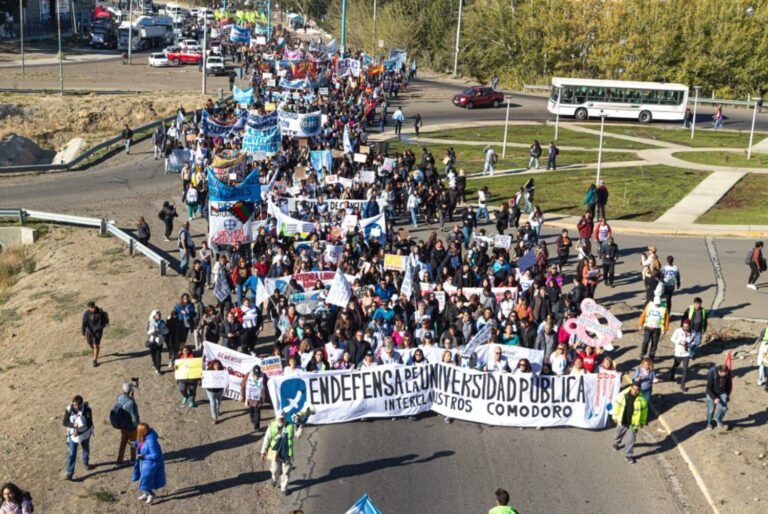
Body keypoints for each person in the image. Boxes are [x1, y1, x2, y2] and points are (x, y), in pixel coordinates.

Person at [611, 381, 648, 464]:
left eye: (637, 390)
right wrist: (614, 416)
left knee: (631, 440)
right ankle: (616, 442)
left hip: (633, 423)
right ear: (631, 388)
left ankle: (628, 456)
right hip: (622, 420)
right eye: (634, 389)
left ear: (639, 390)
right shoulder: (623, 395)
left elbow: (644, 411)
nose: (635, 391)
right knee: (618, 433)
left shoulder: (642, 399)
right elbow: (617, 405)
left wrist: (642, 421)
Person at [261, 413, 296, 495]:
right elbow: (267, 439)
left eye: (282, 418)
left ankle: (284, 488)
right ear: (276, 418)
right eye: (279, 418)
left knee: (286, 472)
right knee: (275, 469)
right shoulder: (272, 426)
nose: (281, 420)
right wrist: (263, 451)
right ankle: (274, 478)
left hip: (287, 453)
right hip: (275, 452)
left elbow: (297, 435)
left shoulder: (290, 426)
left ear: (285, 418)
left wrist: (300, 427)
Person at [132, 422, 166, 505]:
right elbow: (141, 445)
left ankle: (151, 495)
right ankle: (146, 494)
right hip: (143, 464)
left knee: (145, 480)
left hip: (150, 465)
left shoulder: (151, 441)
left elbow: (155, 455)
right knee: (143, 479)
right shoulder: (143, 438)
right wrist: (135, 444)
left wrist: (144, 456)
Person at [62, 395, 94, 480]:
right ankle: (69, 473)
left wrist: (80, 428)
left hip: (85, 434)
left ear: (81, 404)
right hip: (73, 435)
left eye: (78, 405)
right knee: (72, 453)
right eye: (74, 405)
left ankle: (85, 462)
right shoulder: (69, 409)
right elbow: (65, 422)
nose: (76, 407)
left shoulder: (87, 410)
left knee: (86, 448)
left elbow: (90, 423)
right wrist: (73, 425)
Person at [114, 382, 140, 465]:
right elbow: (134, 417)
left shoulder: (119, 397)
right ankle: (133, 459)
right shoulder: (131, 403)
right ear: (130, 391)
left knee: (123, 442)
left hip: (122, 425)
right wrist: (137, 425)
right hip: (131, 427)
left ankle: (119, 460)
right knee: (133, 443)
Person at [638, 297, 669, 361]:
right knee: (646, 341)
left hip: (657, 328)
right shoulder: (649, 305)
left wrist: (665, 329)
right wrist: (640, 324)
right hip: (648, 327)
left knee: (654, 343)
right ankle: (643, 353)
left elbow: (666, 319)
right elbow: (643, 314)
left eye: (658, 304)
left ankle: (651, 357)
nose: (657, 305)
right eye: (656, 304)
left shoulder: (664, 308)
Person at [82, 301, 109, 367]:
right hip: (89, 332)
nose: (92, 309)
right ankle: (94, 351)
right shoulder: (86, 314)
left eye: (93, 307)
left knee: (96, 345)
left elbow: (105, 320)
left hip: (98, 332)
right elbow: (83, 324)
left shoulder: (100, 312)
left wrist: (101, 327)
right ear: (88, 308)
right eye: (91, 308)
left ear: (95, 306)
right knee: (90, 344)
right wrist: (83, 334)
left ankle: (95, 360)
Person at [705, 365, 732, 430]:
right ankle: (709, 423)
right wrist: (714, 398)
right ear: (719, 371)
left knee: (724, 408)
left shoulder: (728, 374)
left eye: (725, 375)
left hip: (722, 392)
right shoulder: (712, 374)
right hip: (711, 393)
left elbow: (728, 385)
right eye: (723, 375)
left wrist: (727, 395)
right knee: (711, 410)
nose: (724, 376)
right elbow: (708, 389)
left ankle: (718, 418)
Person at [241, 364, 267, 431]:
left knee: (257, 411)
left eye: (257, 375)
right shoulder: (248, 375)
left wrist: (264, 398)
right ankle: (253, 420)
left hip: (259, 398)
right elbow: (243, 385)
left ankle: (257, 427)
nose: (256, 377)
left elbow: (266, 385)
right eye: (255, 375)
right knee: (251, 411)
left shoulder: (263, 376)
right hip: (250, 398)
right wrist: (243, 396)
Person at [670, 320, 694, 392]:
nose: (685, 327)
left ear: (689, 326)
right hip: (678, 352)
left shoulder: (693, 333)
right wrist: (680, 342)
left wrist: (688, 344)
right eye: (684, 326)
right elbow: (672, 339)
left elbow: (694, 342)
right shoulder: (678, 331)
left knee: (685, 370)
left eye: (686, 326)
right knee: (676, 365)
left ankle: (682, 385)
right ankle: (672, 376)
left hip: (686, 353)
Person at [205, 359, 226, 424]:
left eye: (218, 364)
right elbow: (204, 379)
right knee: (212, 403)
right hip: (210, 391)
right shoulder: (208, 371)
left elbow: (225, 380)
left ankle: (217, 410)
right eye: (215, 365)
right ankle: (214, 418)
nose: (217, 366)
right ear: (212, 365)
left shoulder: (223, 372)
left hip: (219, 390)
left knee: (218, 402)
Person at [756, 326, 768, 391]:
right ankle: (761, 380)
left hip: (765, 349)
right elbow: (760, 338)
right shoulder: (764, 329)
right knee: (762, 365)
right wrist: (754, 345)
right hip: (765, 349)